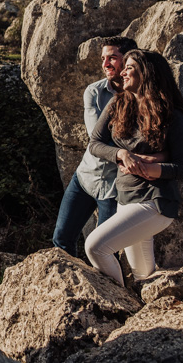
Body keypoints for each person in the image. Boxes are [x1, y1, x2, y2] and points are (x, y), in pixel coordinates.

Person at [84, 49, 183, 286]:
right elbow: (95, 144)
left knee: (95, 247)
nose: (122, 72)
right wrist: (121, 154)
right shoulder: (117, 104)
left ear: (147, 73)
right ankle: (148, 314)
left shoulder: (171, 116)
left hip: (154, 201)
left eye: (130, 68)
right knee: (144, 276)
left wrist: (152, 169)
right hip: (126, 198)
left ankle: (118, 306)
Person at [51, 35, 143, 256]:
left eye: (112, 57)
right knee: (61, 239)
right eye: (103, 58)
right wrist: (125, 149)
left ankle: (106, 290)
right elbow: (97, 138)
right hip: (85, 178)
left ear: (130, 59)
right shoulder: (94, 92)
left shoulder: (143, 97)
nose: (105, 64)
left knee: (105, 250)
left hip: (114, 187)